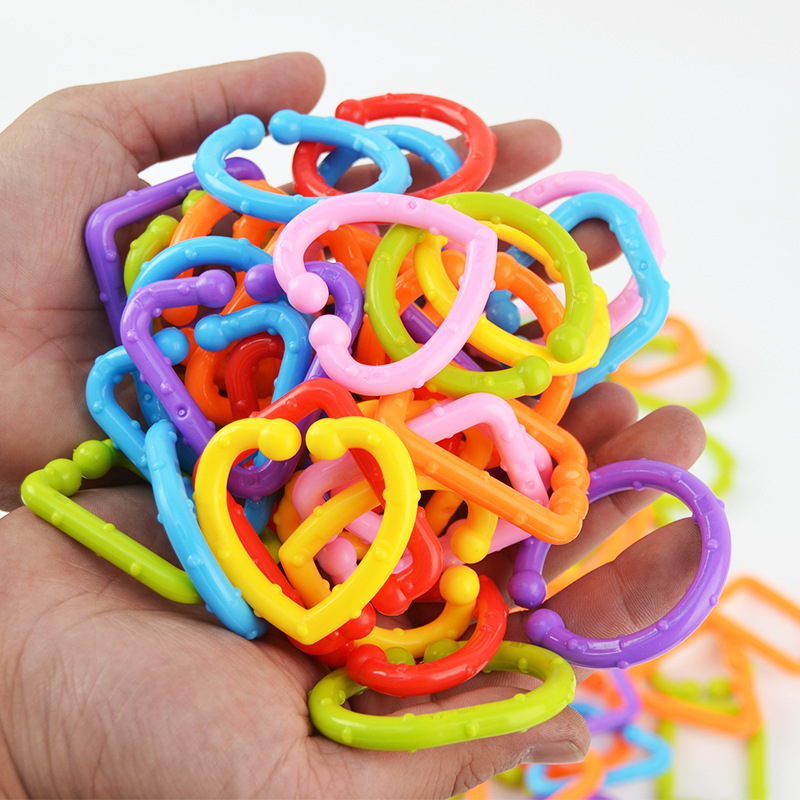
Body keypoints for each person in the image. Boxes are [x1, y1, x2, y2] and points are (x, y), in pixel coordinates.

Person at [0, 52, 705, 798]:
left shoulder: (441, 332)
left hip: (397, 426)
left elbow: (474, 410)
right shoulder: (238, 355)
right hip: (312, 439)